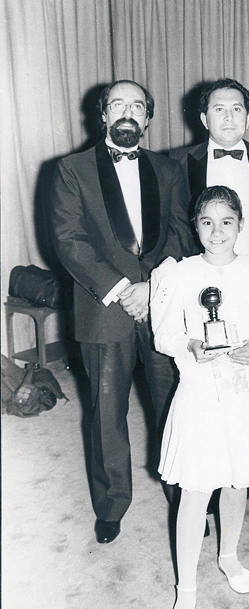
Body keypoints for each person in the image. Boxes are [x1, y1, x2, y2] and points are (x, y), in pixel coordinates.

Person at [51, 79, 194, 543]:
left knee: (172, 406)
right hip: (104, 310)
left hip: (162, 307)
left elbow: (180, 235)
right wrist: (121, 289)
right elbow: (70, 241)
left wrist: (151, 287)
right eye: (118, 104)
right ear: (103, 115)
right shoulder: (71, 169)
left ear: (148, 117)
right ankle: (112, 504)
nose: (128, 112)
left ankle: (183, 494)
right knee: (105, 412)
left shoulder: (169, 169)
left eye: (137, 105)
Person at [150, 185, 249, 609]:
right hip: (201, 392)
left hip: (245, 392)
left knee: (237, 481)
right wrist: (189, 345)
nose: (217, 231)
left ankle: (228, 554)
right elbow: (163, 334)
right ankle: (185, 589)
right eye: (207, 222)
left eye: (227, 222)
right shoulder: (178, 274)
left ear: (240, 225)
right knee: (194, 491)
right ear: (195, 226)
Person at [171, 77, 249, 517]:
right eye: (219, 109)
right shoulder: (179, 162)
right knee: (206, 385)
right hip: (205, 283)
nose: (228, 117)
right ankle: (200, 487)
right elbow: (177, 228)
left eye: (237, 109)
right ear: (203, 118)